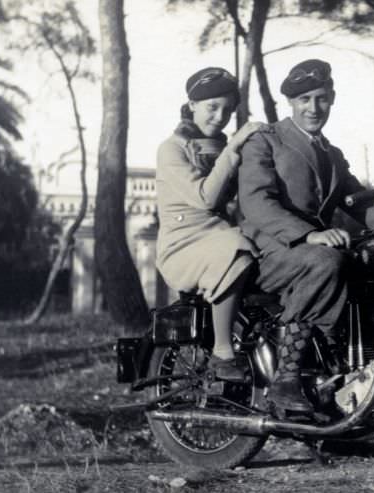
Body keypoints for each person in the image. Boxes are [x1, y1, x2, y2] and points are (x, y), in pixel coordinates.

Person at [238, 59, 374, 412]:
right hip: (269, 253)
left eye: (321, 99)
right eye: (304, 100)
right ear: (292, 102)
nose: (313, 108)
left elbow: (359, 206)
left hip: (310, 254)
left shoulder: (332, 154)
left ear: (332, 99)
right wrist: (306, 235)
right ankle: (286, 379)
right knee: (327, 260)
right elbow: (256, 202)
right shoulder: (266, 141)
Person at [156, 67, 262, 382]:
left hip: (221, 236)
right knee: (236, 249)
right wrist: (233, 150)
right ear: (192, 105)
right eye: (212, 107)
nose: (219, 117)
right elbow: (206, 198)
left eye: (227, 110)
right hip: (184, 245)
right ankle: (223, 351)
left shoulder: (223, 148)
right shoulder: (172, 149)